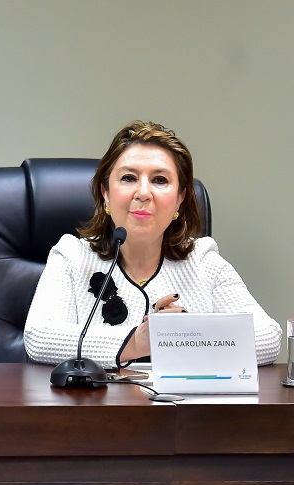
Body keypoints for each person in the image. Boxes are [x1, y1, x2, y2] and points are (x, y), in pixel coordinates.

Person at [23, 120, 281, 368]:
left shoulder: (203, 260)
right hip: (93, 410)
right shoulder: (71, 255)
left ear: (180, 198)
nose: (143, 193)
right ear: (105, 194)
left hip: (182, 411)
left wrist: (185, 336)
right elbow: (39, 337)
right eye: (128, 178)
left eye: (160, 180)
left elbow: (268, 338)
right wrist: (136, 343)